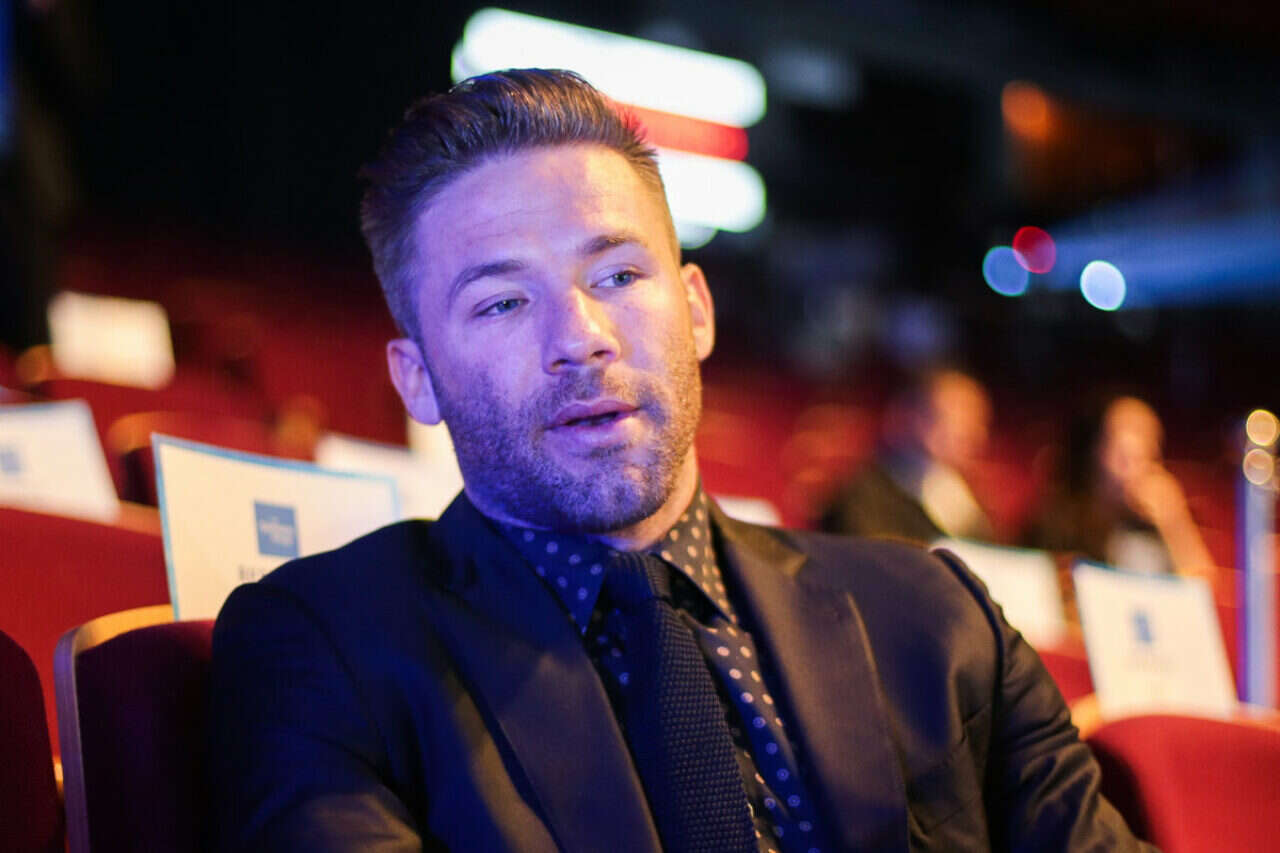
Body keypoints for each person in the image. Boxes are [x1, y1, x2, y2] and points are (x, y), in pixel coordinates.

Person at [207, 69, 1150, 852]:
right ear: (418, 379)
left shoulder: (940, 623)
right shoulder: (322, 650)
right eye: (502, 302)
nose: (581, 337)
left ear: (696, 310)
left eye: (619, 275)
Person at [1024, 394, 1214, 577]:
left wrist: (1174, 522)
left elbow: (1198, 590)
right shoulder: (1059, 523)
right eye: (1124, 456)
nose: (1136, 468)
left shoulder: (1160, 528)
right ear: (1096, 450)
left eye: (1148, 451)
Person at [820, 367, 996, 544]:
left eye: (976, 422)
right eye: (954, 420)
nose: (969, 433)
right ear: (908, 415)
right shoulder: (861, 495)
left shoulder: (965, 492)